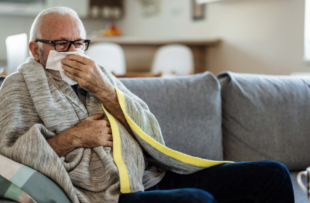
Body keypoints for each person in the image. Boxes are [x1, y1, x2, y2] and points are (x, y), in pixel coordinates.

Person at [0, 7, 294, 203]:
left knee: (274, 174)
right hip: (111, 192)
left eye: (79, 43)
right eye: (61, 44)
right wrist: (75, 137)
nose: (73, 52)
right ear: (35, 49)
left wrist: (105, 90)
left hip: (152, 175)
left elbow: (150, 129)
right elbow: (12, 155)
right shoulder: (18, 85)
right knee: (197, 200)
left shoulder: (100, 74)